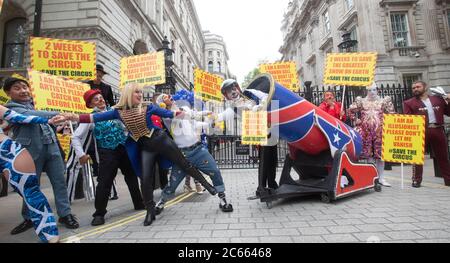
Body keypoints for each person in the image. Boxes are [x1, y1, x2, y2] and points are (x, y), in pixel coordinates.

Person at [66, 83, 217, 226]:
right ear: (128, 94)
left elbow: (169, 113)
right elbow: (93, 118)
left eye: (140, 91)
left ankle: (206, 184)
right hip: (144, 147)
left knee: (184, 163)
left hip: (160, 140)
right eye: (136, 92)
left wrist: (188, 115)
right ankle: (149, 212)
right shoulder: (117, 112)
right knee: (145, 179)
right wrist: (73, 117)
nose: (140, 94)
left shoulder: (148, 106)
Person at [4, 77, 79, 235]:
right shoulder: (11, 108)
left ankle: (65, 214)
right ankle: (29, 217)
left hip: (52, 148)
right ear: (8, 93)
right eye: (17, 88)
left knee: (60, 182)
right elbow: (33, 115)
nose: (24, 90)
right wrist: (60, 113)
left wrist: (62, 124)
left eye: (25, 87)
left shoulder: (36, 104)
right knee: (31, 186)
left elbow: (48, 121)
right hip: (30, 151)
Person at [71, 90, 144, 226]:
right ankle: (99, 214)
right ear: (90, 104)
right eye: (96, 99)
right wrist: (81, 154)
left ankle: (139, 203)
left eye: (101, 97)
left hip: (123, 148)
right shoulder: (90, 117)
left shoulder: (114, 111)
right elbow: (75, 136)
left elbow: (125, 127)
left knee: (131, 176)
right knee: (105, 182)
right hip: (107, 152)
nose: (100, 100)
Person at [154, 91, 233, 214]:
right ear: (163, 105)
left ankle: (223, 199)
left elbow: (194, 122)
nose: (169, 96)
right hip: (182, 155)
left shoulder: (183, 108)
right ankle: (162, 202)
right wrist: (205, 113)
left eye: (168, 95)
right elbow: (189, 115)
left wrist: (209, 123)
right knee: (173, 183)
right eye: (165, 98)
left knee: (215, 171)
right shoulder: (167, 116)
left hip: (198, 150)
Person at [0, 103, 63, 243]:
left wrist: (48, 120)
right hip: (8, 152)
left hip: (6, 151)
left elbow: (19, 117)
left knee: (32, 193)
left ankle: (51, 236)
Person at [221, 79, 278, 194]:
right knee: (264, 158)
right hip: (257, 129)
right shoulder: (234, 107)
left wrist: (260, 106)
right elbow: (222, 116)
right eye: (228, 91)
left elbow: (266, 96)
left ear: (237, 87)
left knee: (272, 158)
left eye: (233, 88)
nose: (232, 92)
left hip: (269, 125)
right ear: (226, 95)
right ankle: (261, 187)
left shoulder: (250, 92)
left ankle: (272, 183)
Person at [403, 81, 450, 188]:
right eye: (413, 87)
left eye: (418, 87)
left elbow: (448, 112)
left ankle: (448, 180)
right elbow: (408, 119)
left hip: (437, 129)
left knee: (443, 156)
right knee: (417, 157)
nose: (415, 89)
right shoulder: (409, 103)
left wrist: (449, 101)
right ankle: (416, 180)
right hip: (420, 132)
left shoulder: (437, 99)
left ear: (425, 87)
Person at [348, 82, 395, 187]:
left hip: (380, 132)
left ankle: (381, 178)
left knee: (380, 156)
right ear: (366, 91)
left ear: (377, 90)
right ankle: (372, 178)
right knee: (369, 156)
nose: (372, 92)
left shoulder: (383, 101)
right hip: (366, 132)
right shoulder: (362, 101)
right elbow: (350, 111)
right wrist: (356, 119)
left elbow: (392, 114)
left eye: (374, 89)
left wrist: (388, 124)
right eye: (369, 90)